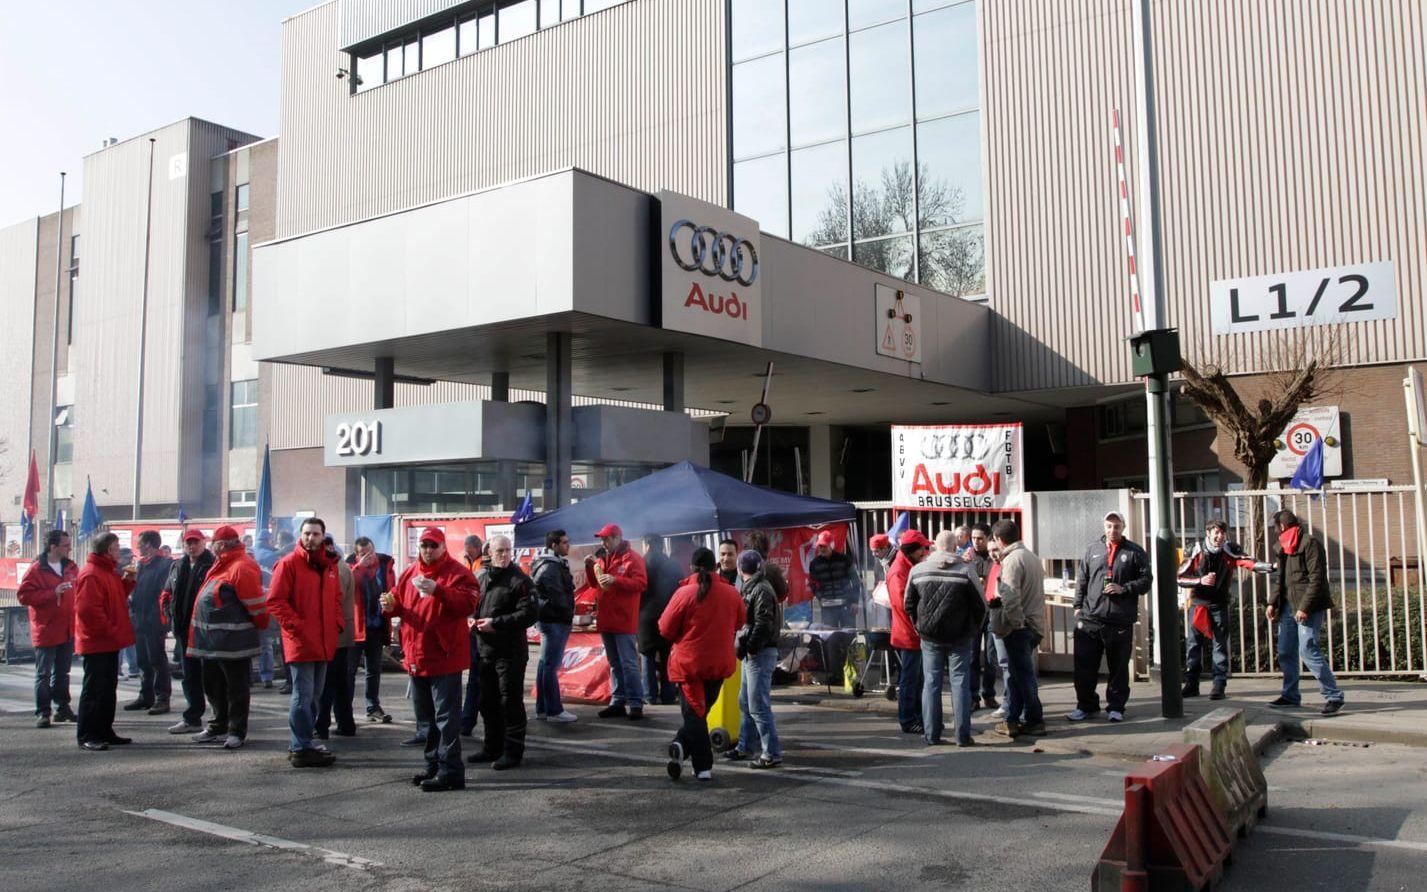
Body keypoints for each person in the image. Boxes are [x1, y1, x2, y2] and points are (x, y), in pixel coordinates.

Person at [381, 526, 481, 792]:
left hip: (444, 656)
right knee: (425, 718)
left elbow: (469, 604)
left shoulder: (459, 574)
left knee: (446, 718)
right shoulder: (409, 573)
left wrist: (438, 589)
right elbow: (399, 604)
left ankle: (451, 771)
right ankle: (434, 764)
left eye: (432, 545)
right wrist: (390, 607)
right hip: (417, 655)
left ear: (443, 547)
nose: (427, 550)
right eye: (424, 545)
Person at [659, 547, 743, 781]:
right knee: (699, 714)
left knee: (695, 715)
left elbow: (665, 628)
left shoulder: (683, 593)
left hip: (689, 665)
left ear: (692, 568)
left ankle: (702, 765)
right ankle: (682, 746)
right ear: (716, 565)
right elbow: (740, 621)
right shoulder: (731, 593)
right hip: (719, 664)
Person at [267, 518, 344, 768]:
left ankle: (303, 742)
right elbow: (275, 601)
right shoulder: (289, 564)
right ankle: (300, 745)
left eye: (316, 534)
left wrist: (337, 623)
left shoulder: (329, 566)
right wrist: (297, 626)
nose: (311, 538)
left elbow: (336, 599)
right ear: (301, 535)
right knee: (303, 696)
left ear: (323, 536)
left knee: (314, 697)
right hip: (301, 641)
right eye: (307, 533)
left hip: (323, 641)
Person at [187, 526, 269, 749]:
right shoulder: (222, 564)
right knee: (213, 686)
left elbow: (255, 603)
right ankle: (217, 726)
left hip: (234, 644)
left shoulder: (242, 566)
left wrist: (261, 625)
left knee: (236, 688)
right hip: (212, 643)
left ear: (221, 544)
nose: (211, 546)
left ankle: (236, 731)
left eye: (213, 542)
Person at [905, 530, 987, 747]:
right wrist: (972, 629)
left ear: (933, 547)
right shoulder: (966, 570)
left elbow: (909, 604)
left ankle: (931, 735)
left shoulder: (917, 570)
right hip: (960, 636)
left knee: (931, 683)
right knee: (960, 683)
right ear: (954, 547)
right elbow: (981, 605)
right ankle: (962, 736)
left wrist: (919, 628)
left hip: (929, 637)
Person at [1069, 511, 1152, 723]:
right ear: (1103, 527)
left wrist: (1124, 588)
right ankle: (1086, 706)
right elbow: (1082, 580)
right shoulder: (1092, 550)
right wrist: (1078, 606)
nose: (1112, 530)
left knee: (1118, 668)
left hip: (1119, 620)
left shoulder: (1134, 552)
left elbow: (1146, 581)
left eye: (1116, 526)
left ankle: (1116, 707)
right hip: (1090, 619)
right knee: (1084, 666)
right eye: (1108, 526)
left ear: (1123, 527)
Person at [468, 534, 538, 770]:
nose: (505, 555)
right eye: (500, 551)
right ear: (489, 552)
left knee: (510, 702)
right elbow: (473, 606)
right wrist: (471, 620)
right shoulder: (482, 577)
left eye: (508, 550)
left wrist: (496, 623)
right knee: (487, 701)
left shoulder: (520, 581)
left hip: (510, 652)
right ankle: (491, 747)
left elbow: (528, 615)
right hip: (485, 650)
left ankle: (513, 752)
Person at [1179, 519, 1268, 700]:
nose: (1219, 536)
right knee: (1194, 645)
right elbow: (1179, 577)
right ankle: (1191, 684)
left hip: (1219, 604)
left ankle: (1219, 685)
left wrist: (1270, 567)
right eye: (1216, 532)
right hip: (1198, 604)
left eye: (1222, 533)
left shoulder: (1230, 549)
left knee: (1220, 645)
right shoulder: (1194, 549)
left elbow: (1248, 562)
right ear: (1208, 533)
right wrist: (1199, 580)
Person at [1267, 510, 1345, 716]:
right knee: (1285, 651)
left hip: (1308, 607)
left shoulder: (1310, 544)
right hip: (1287, 607)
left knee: (1308, 649)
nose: (1276, 533)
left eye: (1276, 528)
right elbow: (1281, 579)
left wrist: (1304, 607)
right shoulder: (1282, 547)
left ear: (1282, 527)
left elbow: (1317, 579)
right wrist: (1272, 602)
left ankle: (1334, 696)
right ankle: (1290, 695)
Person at [73, 532, 138, 751]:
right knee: (94, 689)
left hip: (109, 641)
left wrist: (128, 584)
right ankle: (88, 734)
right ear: (108, 549)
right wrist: (110, 631)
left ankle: (104, 730)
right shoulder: (92, 574)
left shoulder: (107, 571)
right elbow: (88, 610)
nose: (120, 551)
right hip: (97, 642)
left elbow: (115, 598)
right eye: (117, 547)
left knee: (108, 688)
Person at [988, 520, 1046, 738]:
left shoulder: (1012, 561)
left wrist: (1015, 625)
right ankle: (1013, 718)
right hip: (1033, 624)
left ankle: (1033, 719)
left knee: (1021, 675)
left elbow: (1010, 597)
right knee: (1018, 674)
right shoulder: (1030, 557)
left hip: (1021, 627)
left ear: (999, 540)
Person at [726, 549, 783, 768]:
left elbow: (762, 623)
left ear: (740, 569)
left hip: (759, 652)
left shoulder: (759, 588)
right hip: (755, 652)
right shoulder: (757, 587)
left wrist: (750, 648)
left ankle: (771, 753)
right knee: (746, 702)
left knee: (758, 705)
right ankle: (745, 746)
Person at [17, 529, 79, 728]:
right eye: (65, 545)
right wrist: (52, 592)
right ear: (53, 547)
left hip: (67, 628)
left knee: (63, 673)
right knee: (43, 673)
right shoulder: (37, 569)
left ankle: (62, 708)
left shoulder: (70, 567)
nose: (69, 548)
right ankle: (43, 712)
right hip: (46, 629)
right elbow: (24, 596)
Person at [160, 529, 215, 734]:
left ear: (203, 543)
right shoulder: (177, 565)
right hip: (183, 630)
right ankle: (192, 717)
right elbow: (167, 594)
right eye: (188, 543)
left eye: (195, 542)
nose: (191, 546)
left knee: (210, 675)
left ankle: (218, 719)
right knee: (189, 675)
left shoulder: (212, 565)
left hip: (205, 630)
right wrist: (169, 615)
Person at [592, 523, 648, 720]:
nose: (603, 542)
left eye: (606, 539)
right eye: (602, 539)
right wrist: (590, 568)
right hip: (607, 619)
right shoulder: (603, 558)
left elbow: (641, 583)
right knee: (615, 663)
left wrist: (616, 580)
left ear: (617, 538)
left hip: (623, 619)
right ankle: (618, 701)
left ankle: (635, 703)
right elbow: (594, 584)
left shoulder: (633, 559)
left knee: (628, 663)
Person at [124, 530, 174, 715]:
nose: (138, 547)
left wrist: (162, 616)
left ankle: (162, 697)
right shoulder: (140, 565)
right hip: (139, 619)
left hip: (155, 620)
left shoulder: (165, 565)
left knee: (157, 659)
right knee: (143, 659)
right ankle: (146, 695)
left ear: (151, 545)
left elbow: (165, 593)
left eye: (141, 543)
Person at [887, 529, 932, 735]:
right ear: (911, 550)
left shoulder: (909, 566)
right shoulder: (899, 571)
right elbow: (905, 604)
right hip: (908, 633)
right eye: (922, 548)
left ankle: (918, 717)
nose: (925, 551)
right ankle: (908, 719)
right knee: (910, 680)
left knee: (917, 679)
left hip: (914, 631)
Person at [532, 529, 578, 723]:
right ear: (554, 545)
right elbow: (558, 597)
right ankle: (553, 709)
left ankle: (544, 708)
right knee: (550, 665)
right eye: (565, 542)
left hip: (550, 620)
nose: (568, 545)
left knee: (545, 665)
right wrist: (569, 616)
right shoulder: (551, 567)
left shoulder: (550, 564)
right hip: (554, 621)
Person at [316, 536, 359, 741]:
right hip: (342, 633)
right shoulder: (342, 566)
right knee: (340, 683)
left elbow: (333, 601)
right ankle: (345, 723)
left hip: (335, 633)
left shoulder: (336, 570)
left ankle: (322, 725)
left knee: (327, 683)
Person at [349, 536, 395, 723]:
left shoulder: (385, 566)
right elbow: (347, 587)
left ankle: (373, 706)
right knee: (349, 671)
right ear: (356, 554)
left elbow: (393, 589)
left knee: (374, 669)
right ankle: (346, 710)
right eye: (362, 554)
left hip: (377, 626)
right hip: (356, 627)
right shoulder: (351, 568)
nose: (367, 557)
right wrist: (359, 566)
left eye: (369, 552)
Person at [638, 536, 682, 706]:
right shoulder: (673, 564)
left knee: (647, 657)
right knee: (667, 656)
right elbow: (680, 589)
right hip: (668, 615)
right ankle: (669, 694)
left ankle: (649, 695)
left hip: (645, 617)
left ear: (648, 545)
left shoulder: (640, 563)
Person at [963, 523, 1001, 711]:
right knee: (972, 657)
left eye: (980, 538)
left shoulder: (995, 557)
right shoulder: (968, 558)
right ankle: (973, 696)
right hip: (974, 614)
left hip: (992, 613)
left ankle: (989, 694)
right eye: (973, 538)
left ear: (988, 538)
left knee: (991, 657)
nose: (976, 542)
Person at [458, 533, 484, 740]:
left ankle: (467, 720)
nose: (466, 552)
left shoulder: (482, 567)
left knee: (477, 677)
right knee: (473, 677)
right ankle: (466, 720)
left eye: (469, 549)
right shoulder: (464, 563)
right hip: (468, 626)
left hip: (479, 626)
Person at [807, 531, 859, 627]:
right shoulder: (815, 564)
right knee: (829, 635)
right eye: (820, 546)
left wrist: (855, 601)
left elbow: (855, 581)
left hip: (846, 605)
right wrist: (820, 597)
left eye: (824, 546)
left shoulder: (845, 559)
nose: (822, 549)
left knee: (848, 634)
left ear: (831, 545)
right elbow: (812, 584)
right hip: (827, 608)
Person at [743, 530, 790, 602]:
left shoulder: (742, 569)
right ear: (767, 548)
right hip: (768, 609)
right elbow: (782, 594)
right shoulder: (772, 570)